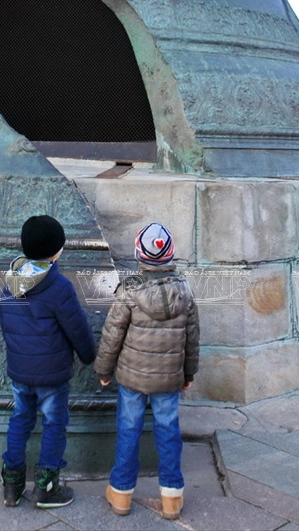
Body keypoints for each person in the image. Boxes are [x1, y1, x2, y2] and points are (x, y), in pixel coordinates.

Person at [94, 222, 200, 522]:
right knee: (169, 431)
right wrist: (188, 374)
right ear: (170, 256)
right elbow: (193, 338)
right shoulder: (185, 291)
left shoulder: (129, 290)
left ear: (140, 256)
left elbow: (112, 335)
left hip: (131, 378)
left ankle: (122, 493)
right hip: (169, 379)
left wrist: (104, 369)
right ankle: (171, 497)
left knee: (129, 431)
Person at [0, 214, 96, 508]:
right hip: (52, 375)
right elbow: (77, 327)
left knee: (20, 420)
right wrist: (89, 355)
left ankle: (12, 486)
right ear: (57, 251)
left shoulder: (10, 283)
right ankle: (46, 487)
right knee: (54, 423)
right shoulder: (58, 287)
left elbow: (6, 324)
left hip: (20, 371)